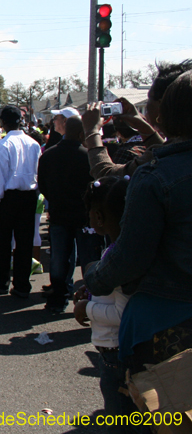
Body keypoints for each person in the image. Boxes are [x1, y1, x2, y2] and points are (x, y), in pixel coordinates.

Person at [84, 71, 192, 390]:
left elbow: (130, 258)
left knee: (156, 409)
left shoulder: (155, 177)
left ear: (163, 112)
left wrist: (94, 276)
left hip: (164, 326)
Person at [72, 176, 139, 430]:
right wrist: (91, 291)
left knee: (120, 421)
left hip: (116, 354)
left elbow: (123, 314)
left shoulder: (119, 256)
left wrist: (86, 308)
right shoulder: (121, 248)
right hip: (115, 352)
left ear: (99, 217)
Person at [38, 116, 103, 314]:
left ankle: (58, 300)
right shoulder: (88, 156)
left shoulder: (48, 155)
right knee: (89, 261)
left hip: (59, 214)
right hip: (85, 216)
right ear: (82, 134)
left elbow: (43, 185)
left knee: (59, 260)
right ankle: (92, 301)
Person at [0, 105, 41, 298]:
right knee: (24, 243)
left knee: (3, 243)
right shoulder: (34, 144)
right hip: (29, 196)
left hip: (9, 198)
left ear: (3, 123)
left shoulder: (3, 145)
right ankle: (22, 285)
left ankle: (1, 283)